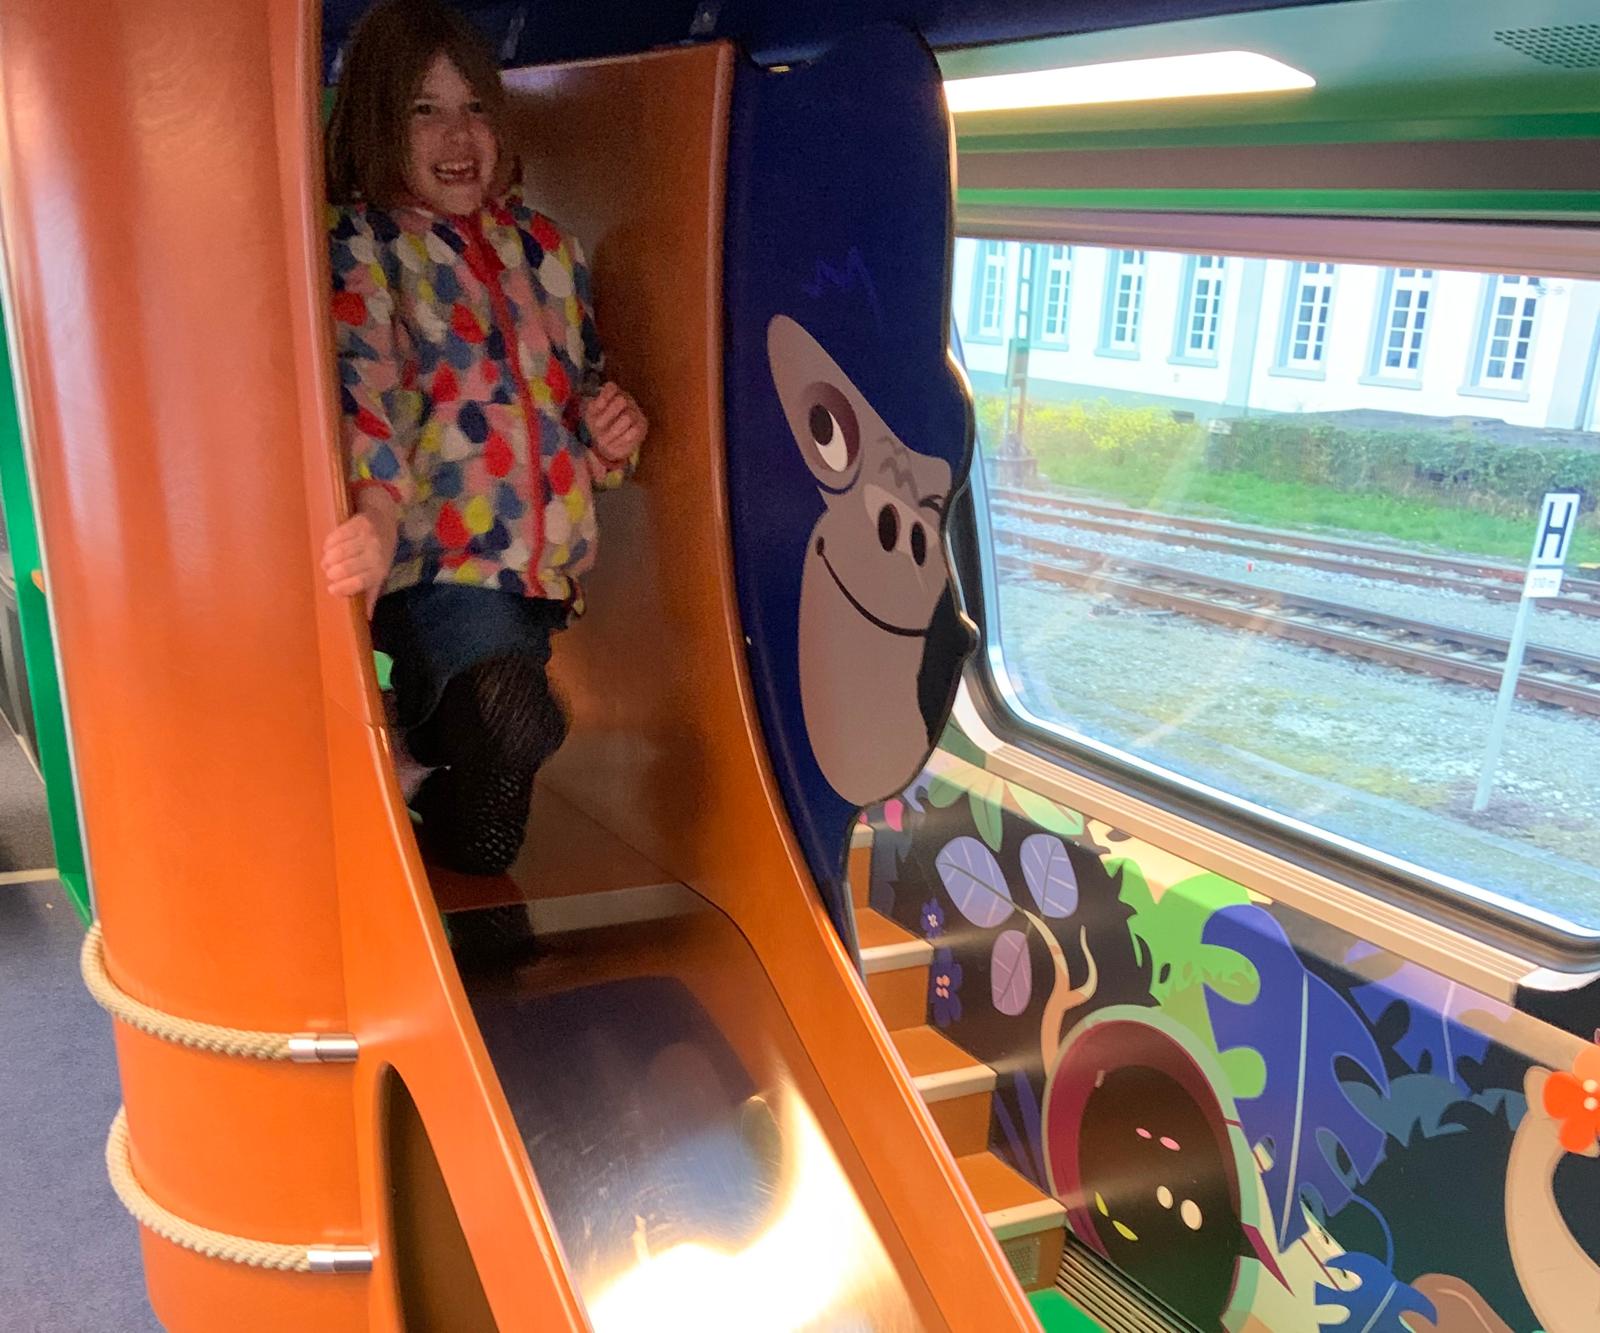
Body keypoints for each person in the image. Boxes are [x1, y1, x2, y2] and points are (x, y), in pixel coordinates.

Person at [320, 0, 646, 880]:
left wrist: (610, 442)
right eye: (424, 111)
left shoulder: (546, 248)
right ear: (379, 124)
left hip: (536, 572)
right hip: (438, 563)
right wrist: (378, 512)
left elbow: (577, 389)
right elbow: (362, 391)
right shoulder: (363, 246)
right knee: (514, 715)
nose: (458, 134)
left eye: (474, 108)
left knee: (501, 798)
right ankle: (422, 735)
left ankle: (433, 791)